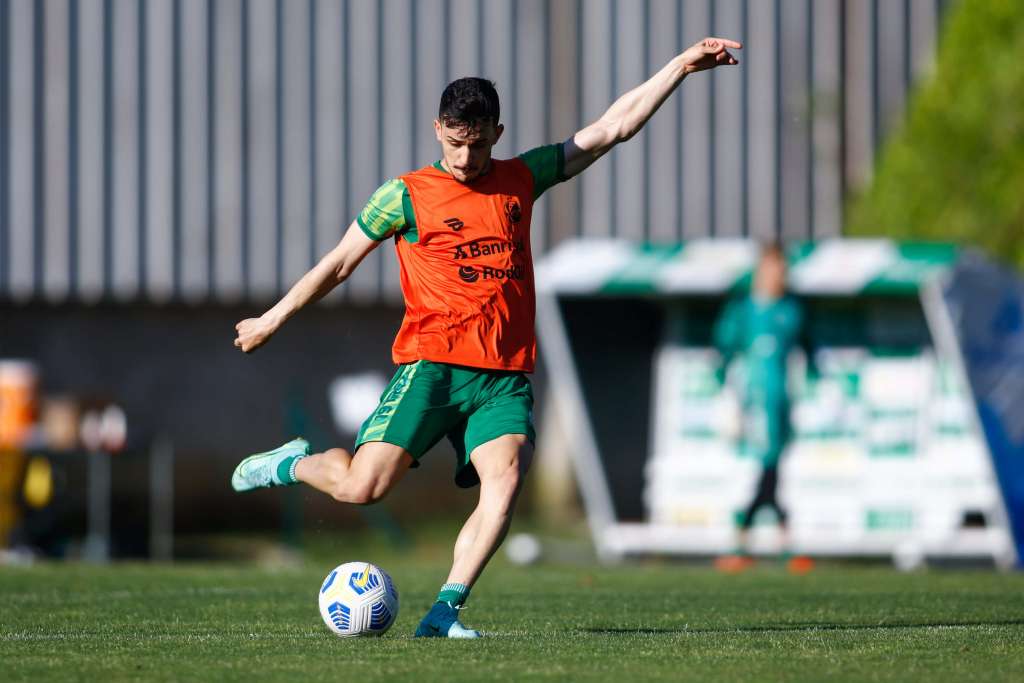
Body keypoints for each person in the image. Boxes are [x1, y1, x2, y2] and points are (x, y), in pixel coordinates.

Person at [231, 37, 742, 637]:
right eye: (454, 143)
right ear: (437, 130)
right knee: (361, 488)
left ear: (497, 133)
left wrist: (680, 66)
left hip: (503, 376)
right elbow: (340, 263)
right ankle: (292, 464)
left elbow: (612, 129)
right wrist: (273, 318)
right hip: (433, 367)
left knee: (506, 481)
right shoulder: (404, 195)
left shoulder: (521, 178)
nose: (465, 157)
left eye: (476, 145)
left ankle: (443, 613)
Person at [712, 243, 813, 574]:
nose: (778, 276)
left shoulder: (792, 310)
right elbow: (724, 352)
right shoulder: (743, 310)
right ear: (760, 271)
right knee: (759, 467)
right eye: (772, 269)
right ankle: (762, 538)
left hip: (781, 401)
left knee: (773, 467)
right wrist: (726, 397)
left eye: (782, 270)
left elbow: (806, 353)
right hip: (751, 401)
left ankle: (748, 540)